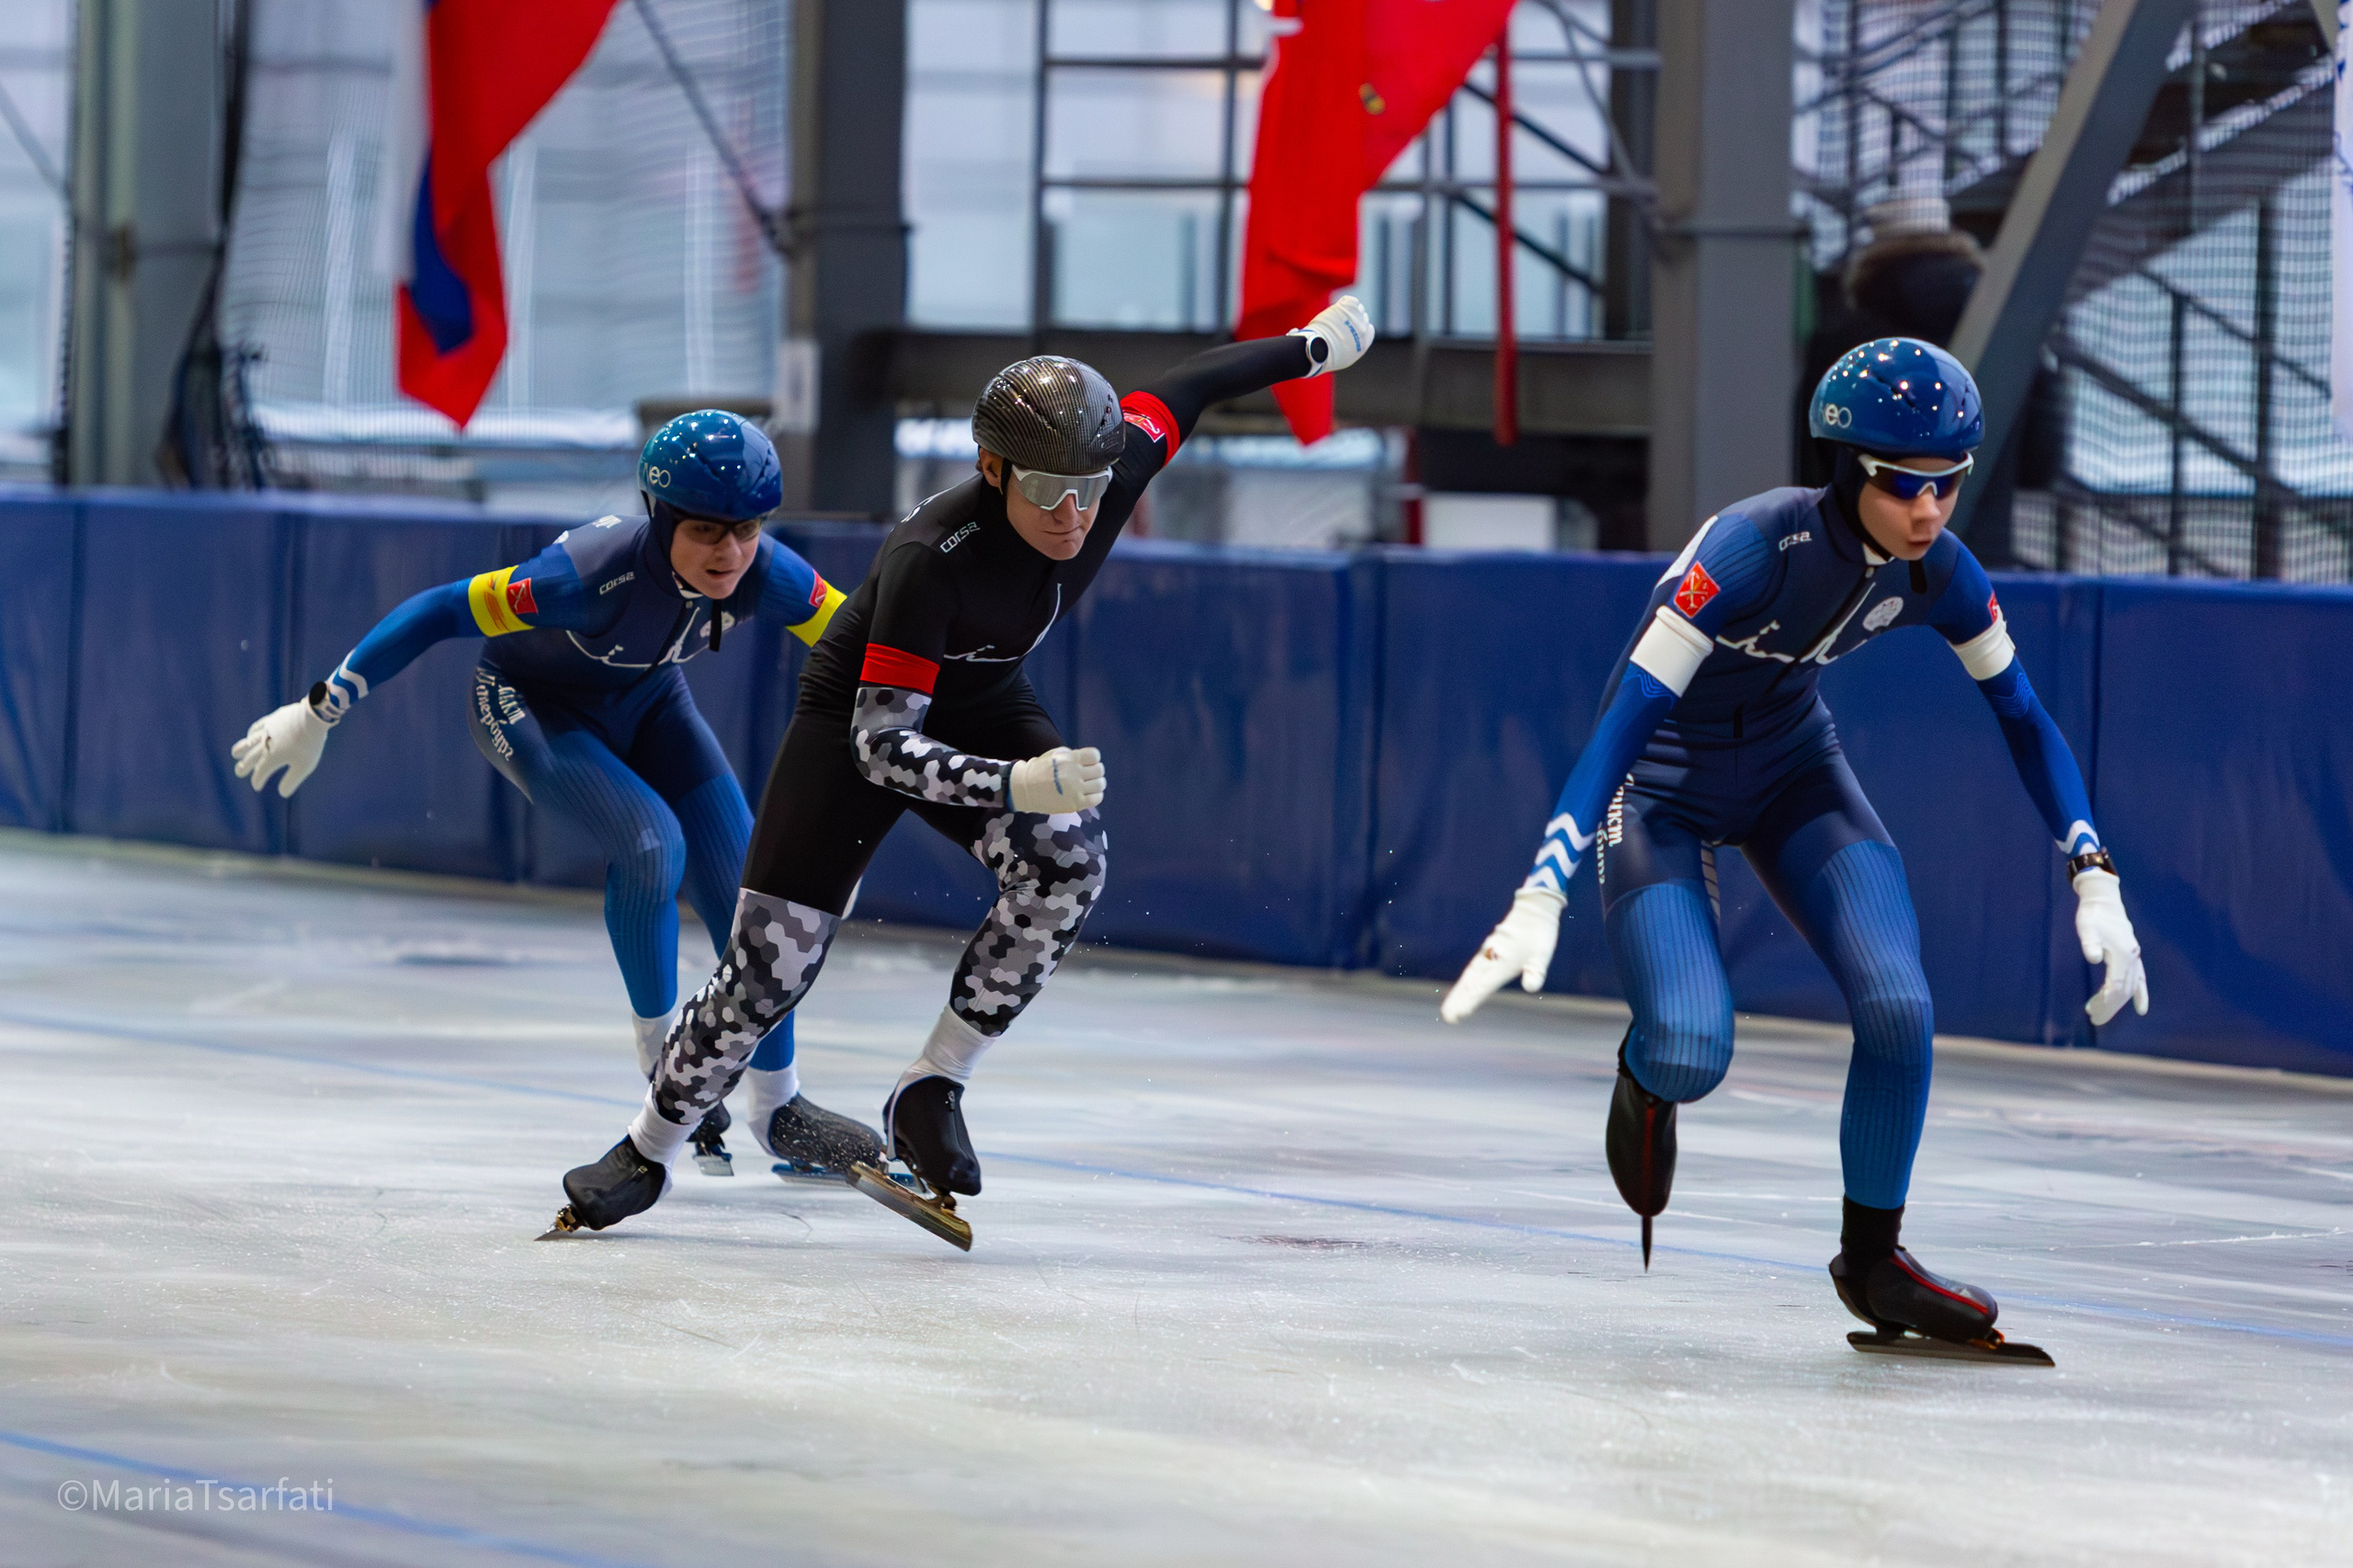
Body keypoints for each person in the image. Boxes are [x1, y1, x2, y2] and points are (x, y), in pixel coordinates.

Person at [544, 297, 1378, 1248]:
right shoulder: (928, 560)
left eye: (1090, 490)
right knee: (767, 972)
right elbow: (880, 751)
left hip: (984, 692)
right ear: (991, 470)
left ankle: (933, 1083)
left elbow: (1188, 387)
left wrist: (1308, 347)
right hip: (856, 718)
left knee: (1071, 859)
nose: (1073, 516)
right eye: (1047, 492)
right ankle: (647, 1147)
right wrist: (1017, 786)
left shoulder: (1102, 472)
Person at [1442, 338, 2148, 1360]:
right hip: (1663, 791)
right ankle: (1645, 1074)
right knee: (1691, 1046)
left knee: (1900, 1008)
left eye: (1949, 484)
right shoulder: (1746, 549)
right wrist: (1542, 886)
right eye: (1907, 486)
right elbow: (1624, 719)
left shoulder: (1940, 570)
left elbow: (2027, 718)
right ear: (1850, 468)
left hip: (1793, 773)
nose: (1931, 511)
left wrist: (2094, 874)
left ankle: (1874, 1260)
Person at [231, 412, 864, 1179]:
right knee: (650, 846)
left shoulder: (771, 572)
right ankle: (667, 1063)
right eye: (705, 530)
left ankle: (780, 1106)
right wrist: (319, 707)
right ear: (660, 517)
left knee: (758, 896)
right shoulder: (584, 577)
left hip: (651, 700)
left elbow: (877, 658)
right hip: (532, 703)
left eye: (748, 527)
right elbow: (437, 611)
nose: (730, 553)